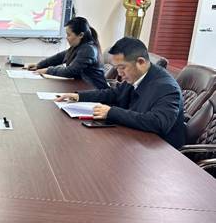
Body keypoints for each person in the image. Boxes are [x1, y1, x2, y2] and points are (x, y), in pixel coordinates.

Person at [56, 37, 185, 148]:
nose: (119, 73)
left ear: (140, 62)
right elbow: (114, 94)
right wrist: (79, 96)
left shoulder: (167, 87)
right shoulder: (137, 75)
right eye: (116, 68)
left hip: (159, 150)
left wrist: (111, 112)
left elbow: (158, 123)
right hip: (135, 138)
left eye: (122, 67)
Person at [25, 17, 108, 89]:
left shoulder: (88, 49)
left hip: (94, 90)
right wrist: (39, 65)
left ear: (81, 35)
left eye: (69, 35)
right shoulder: (80, 46)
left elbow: (70, 71)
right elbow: (60, 57)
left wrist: (47, 70)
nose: (67, 38)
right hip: (83, 86)